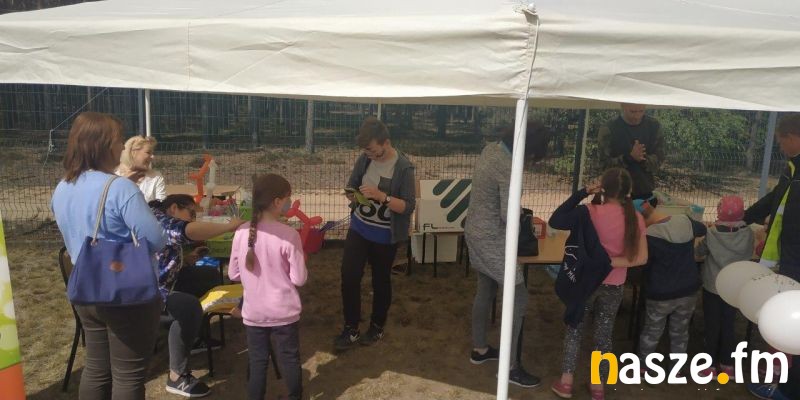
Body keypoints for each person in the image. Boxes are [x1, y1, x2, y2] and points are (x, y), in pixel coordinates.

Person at [51, 111, 167, 400]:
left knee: (96, 369)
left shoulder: (62, 186)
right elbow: (156, 239)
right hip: (126, 293)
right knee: (128, 376)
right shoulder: (121, 188)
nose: (121, 148)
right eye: (118, 141)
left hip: (86, 288)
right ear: (102, 146)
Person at [466, 121, 552, 388]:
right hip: (491, 238)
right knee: (518, 296)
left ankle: (480, 349)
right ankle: (510, 367)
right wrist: (522, 216)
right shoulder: (508, 167)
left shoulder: (491, 149)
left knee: (486, 288)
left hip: (475, 230)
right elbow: (508, 214)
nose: (532, 162)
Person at [550, 168, 648, 400]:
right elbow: (641, 258)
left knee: (574, 328)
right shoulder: (636, 218)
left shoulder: (588, 211)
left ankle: (566, 382)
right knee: (604, 335)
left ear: (602, 189)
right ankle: (598, 386)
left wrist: (583, 192)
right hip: (614, 285)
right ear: (629, 192)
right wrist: (609, 263)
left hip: (585, 283)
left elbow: (556, 220)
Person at [149, 194, 245, 398]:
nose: (193, 219)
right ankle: (177, 375)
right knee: (189, 307)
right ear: (174, 208)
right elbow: (189, 231)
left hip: (167, 279)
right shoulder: (161, 221)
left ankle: (192, 338)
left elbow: (161, 256)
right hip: (152, 292)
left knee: (209, 276)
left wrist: (185, 260)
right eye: (191, 213)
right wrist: (229, 226)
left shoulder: (160, 218)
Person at [334, 117, 416, 351]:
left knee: (380, 280)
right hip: (359, 228)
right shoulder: (365, 159)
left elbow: (408, 206)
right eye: (366, 151)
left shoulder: (403, 167)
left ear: (385, 142)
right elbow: (351, 186)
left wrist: (382, 197)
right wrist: (353, 195)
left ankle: (377, 326)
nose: (369, 155)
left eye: (372, 150)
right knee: (349, 276)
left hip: (385, 235)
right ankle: (351, 328)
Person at [229, 174, 308, 400]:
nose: (289, 202)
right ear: (277, 201)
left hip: (254, 312)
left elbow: (233, 273)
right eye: (288, 198)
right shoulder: (289, 235)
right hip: (284, 311)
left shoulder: (241, 232)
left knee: (257, 361)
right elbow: (299, 279)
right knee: (289, 358)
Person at [744, 113, 800, 400]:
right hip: (788, 256)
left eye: (781, 140)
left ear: (794, 137)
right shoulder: (793, 168)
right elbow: (775, 199)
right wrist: (745, 217)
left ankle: (789, 390)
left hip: (796, 258)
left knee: (795, 323)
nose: (780, 145)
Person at [635, 198, 707, 376]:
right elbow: (702, 229)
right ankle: (677, 368)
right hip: (687, 290)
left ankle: (644, 365)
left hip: (660, 292)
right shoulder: (684, 221)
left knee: (652, 330)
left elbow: (643, 263)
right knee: (680, 331)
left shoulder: (648, 236)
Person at [695, 195, 754, 379]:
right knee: (728, 324)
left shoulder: (712, 233)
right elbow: (749, 254)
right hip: (734, 287)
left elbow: (699, 252)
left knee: (712, 324)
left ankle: (710, 366)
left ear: (719, 211)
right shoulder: (748, 233)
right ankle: (728, 365)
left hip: (712, 286)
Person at [597, 103, 665, 201]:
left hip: (645, 191)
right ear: (623, 106)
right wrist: (629, 158)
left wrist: (642, 159)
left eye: (641, 111)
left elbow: (659, 159)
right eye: (632, 112)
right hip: (616, 194)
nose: (637, 116)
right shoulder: (609, 128)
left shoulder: (654, 126)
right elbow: (604, 165)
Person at [116, 135, 167, 203]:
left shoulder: (156, 177)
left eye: (152, 153)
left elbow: (162, 204)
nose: (152, 156)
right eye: (148, 152)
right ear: (133, 152)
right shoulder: (114, 177)